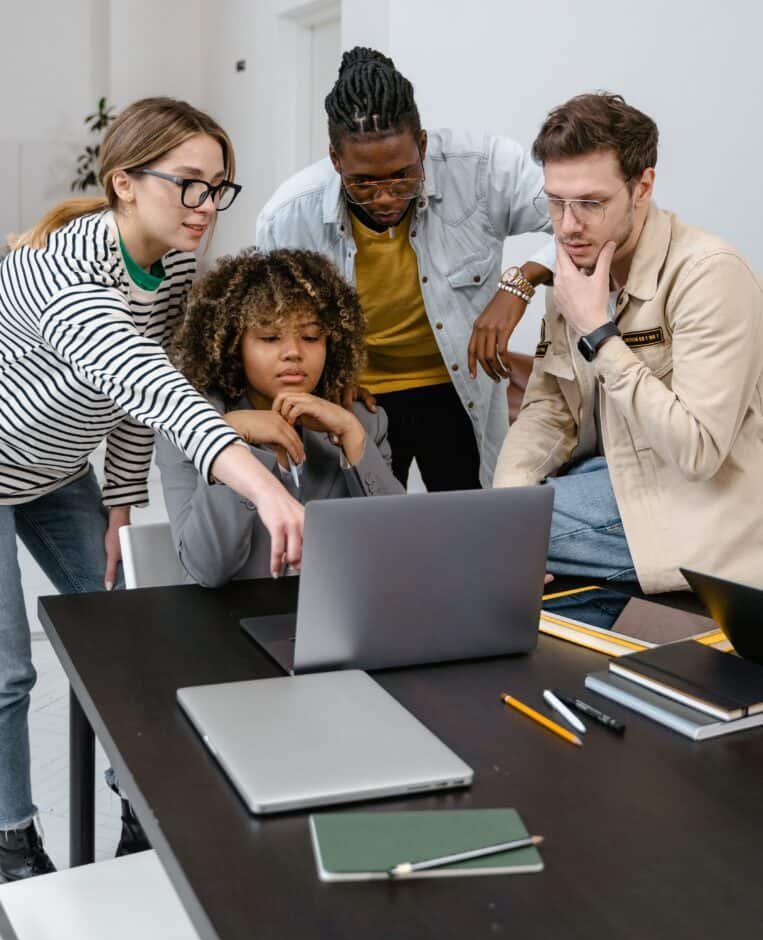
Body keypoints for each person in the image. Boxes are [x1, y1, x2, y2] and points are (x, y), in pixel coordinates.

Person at [0, 97, 304, 881]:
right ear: (124, 183)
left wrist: (122, 502)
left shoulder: (169, 265)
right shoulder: (66, 274)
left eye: (219, 187)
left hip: (59, 469)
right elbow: (155, 386)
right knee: (9, 672)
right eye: (189, 185)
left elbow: (134, 398)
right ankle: (11, 839)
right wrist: (264, 490)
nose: (206, 206)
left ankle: (141, 807)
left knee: (131, 634)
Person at [494, 93, 763, 593]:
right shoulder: (576, 264)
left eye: (591, 203)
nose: (568, 225)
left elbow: (699, 452)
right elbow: (550, 409)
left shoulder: (709, 274)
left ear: (643, 188)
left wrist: (600, 332)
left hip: (699, 509)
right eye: (556, 202)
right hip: (610, 479)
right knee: (492, 531)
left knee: (472, 542)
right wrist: (508, 505)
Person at [256, 46, 554, 490]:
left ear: (423, 145)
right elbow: (272, 326)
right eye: (363, 182)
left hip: (459, 389)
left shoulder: (484, 167)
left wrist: (520, 282)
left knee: (469, 527)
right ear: (336, 160)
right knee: (373, 535)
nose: (385, 197)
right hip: (361, 398)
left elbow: (584, 218)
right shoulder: (287, 216)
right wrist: (324, 381)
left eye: (402, 176)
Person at [157, 248, 404, 585]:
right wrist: (236, 440)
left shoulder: (362, 419)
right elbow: (207, 569)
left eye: (311, 337)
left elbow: (400, 549)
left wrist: (352, 435)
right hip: (229, 626)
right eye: (270, 338)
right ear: (233, 344)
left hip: (337, 620)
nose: (293, 353)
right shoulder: (191, 423)